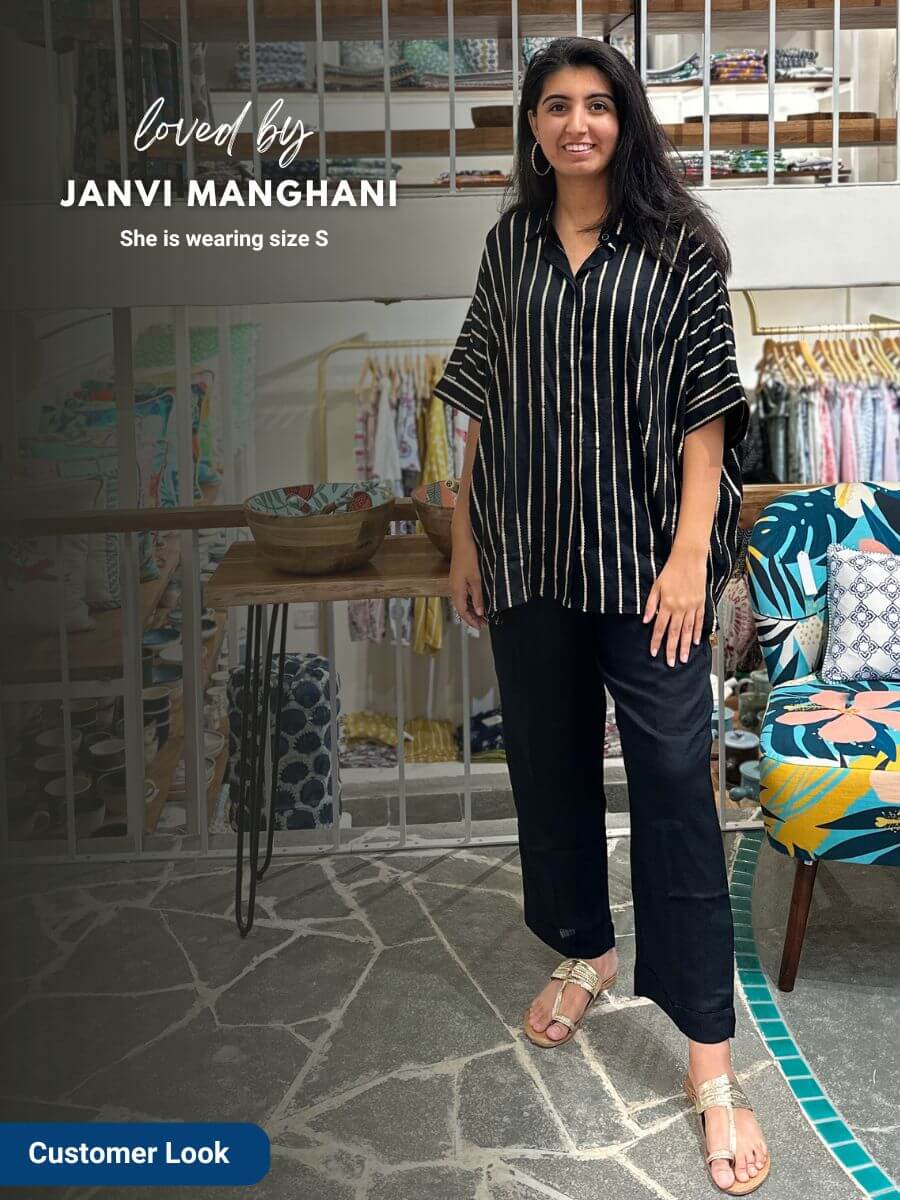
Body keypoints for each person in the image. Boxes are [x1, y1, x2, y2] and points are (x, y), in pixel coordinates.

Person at [433, 37, 770, 1197]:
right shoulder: (511, 245)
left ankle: (710, 1061)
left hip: (644, 566)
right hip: (526, 552)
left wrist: (689, 559)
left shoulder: (680, 248)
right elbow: (482, 402)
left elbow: (705, 417)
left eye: (597, 104)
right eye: (555, 105)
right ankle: (585, 948)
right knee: (550, 763)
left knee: (674, 778)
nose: (577, 123)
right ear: (532, 126)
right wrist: (466, 537)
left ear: (625, 119)